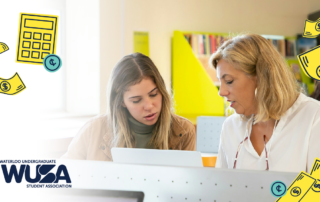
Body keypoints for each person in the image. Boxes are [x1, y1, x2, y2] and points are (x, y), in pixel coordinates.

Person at [210, 34, 320, 173]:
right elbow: (221, 187)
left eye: (229, 81)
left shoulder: (314, 117)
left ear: (261, 77)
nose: (222, 92)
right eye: (220, 82)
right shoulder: (230, 126)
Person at [62, 53, 196, 161]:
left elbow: (189, 187)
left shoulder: (183, 131)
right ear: (121, 102)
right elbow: (62, 175)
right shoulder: (94, 130)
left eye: (154, 94)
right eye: (136, 100)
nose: (149, 106)